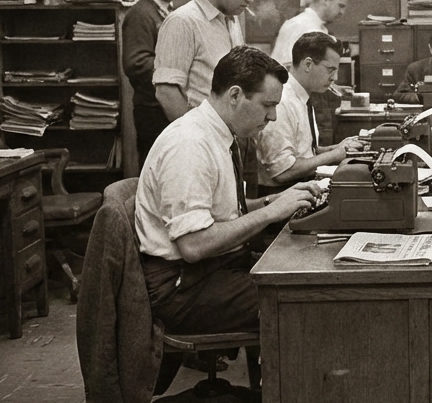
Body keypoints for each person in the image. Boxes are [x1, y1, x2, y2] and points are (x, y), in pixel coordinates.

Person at [136, 47, 321, 334]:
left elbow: (219, 211)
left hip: (212, 270)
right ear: (234, 95)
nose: (273, 116)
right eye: (267, 105)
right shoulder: (190, 144)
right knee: (303, 302)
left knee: (307, 277)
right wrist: (271, 213)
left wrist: (275, 199)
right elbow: (194, 244)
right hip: (184, 288)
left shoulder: (217, 133)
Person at [153, 0, 265, 122]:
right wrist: (197, 137)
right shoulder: (183, 21)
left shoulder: (232, 18)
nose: (251, 0)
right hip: (202, 138)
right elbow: (167, 93)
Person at [256, 32, 364, 187]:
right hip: (283, 192)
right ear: (307, 64)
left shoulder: (301, 97)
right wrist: (335, 154)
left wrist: (338, 147)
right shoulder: (282, 102)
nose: (335, 77)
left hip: (301, 186)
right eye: (330, 69)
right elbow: (283, 171)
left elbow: (302, 152)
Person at [122, 0, 183, 163]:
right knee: (157, 170)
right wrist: (177, 71)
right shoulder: (141, 14)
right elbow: (136, 63)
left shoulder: (166, 11)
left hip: (166, 105)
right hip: (152, 109)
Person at [270, 0, 351, 67]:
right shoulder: (300, 26)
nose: (342, 12)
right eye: (341, 6)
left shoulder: (317, 27)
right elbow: (289, 70)